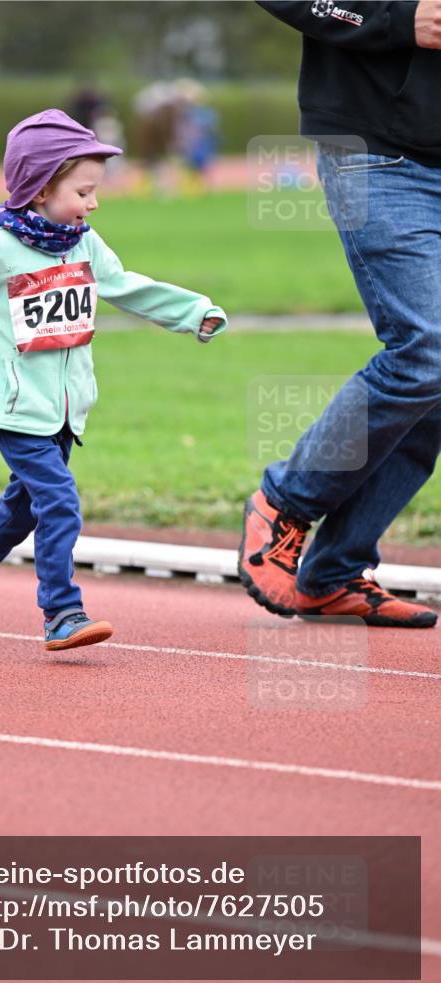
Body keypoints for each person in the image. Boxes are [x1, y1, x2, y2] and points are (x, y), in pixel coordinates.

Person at [0, 109, 227, 651]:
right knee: (59, 501)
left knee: (21, 509)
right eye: (84, 192)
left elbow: (125, 285)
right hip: (17, 409)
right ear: (40, 191)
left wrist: (192, 311)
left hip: (67, 409)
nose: (93, 203)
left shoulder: (83, 242)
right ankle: (62, 611)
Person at [239, 1, 441, 628]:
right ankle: (284, 505)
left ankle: (333, 572)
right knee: (427, 347)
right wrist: (398, 20)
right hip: (379, 152)